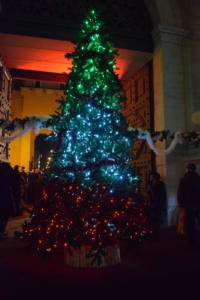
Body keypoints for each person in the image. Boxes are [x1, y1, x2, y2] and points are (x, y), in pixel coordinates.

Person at [177, 163, 200, 245]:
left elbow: (180, 193)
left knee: (191, 223)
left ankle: (192, 240)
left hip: (188, 204)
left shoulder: (183, 179)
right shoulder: (198, 178)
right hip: (198, 203)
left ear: (187, 169)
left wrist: (181, 204)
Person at [149, 171, 167, 240]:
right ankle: (155, 233)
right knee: (154, 219)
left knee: (158, 219)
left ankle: (157, 234)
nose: (150, 178)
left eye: (151, 176)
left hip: (158, 204)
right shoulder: (151, 184)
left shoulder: (160, 184)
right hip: (153, 204)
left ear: (154, 177)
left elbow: (163, 195)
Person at [0, 162, 14, 239]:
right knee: (4, 215)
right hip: (4, 195)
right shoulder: (6, 169)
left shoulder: (5, 168)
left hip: (4, 194)